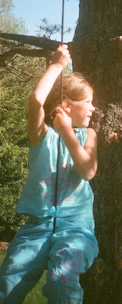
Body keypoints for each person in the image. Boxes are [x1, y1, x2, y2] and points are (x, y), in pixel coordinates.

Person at [0, 44, 98, 304]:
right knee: (7, 284)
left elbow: (88, 171)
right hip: (36, 227)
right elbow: (35, 101)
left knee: (60, 280)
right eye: (87, 102)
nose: (93, 108)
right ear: (67, 104)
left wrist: (67, 132)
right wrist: (57, 66)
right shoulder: (41, 135)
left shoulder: (88, 135)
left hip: (76, 228)